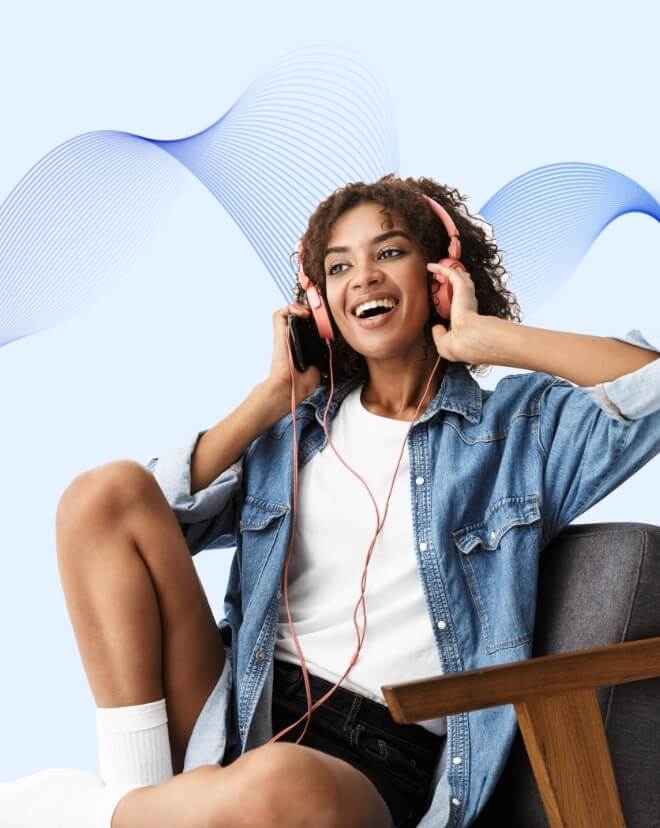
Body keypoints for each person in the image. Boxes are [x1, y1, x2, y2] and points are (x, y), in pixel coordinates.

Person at [2, 174, 659, 828]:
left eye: (390, 252)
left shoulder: (518, 433)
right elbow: (146, 522)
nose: (363, 277)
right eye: (339, 266)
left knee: (276, 782)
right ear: (321, 305)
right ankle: (135, 802)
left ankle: (88, 813)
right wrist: (268, 398)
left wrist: (487, 337)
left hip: (376, 761)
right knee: (104, 493)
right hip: (243, 715)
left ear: (438, 275)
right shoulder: (299, 430)